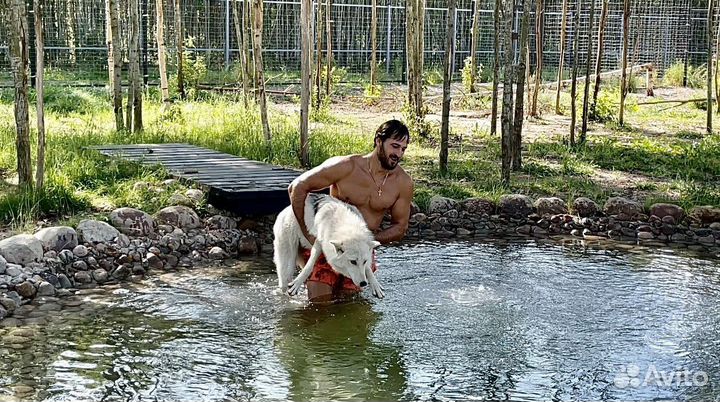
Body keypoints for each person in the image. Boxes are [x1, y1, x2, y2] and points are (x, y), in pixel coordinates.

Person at [287, 119, 414, 302]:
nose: (398, 154)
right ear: (378, 141)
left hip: (361, 256)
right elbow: (297, 188)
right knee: (317, 310)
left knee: (350, 312)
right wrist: (308, 235)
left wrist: (365, 243)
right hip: (329, 247)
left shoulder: (403, 183)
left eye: (403, 149)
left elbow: (400, 227)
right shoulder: (347, 167)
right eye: (394, 146)